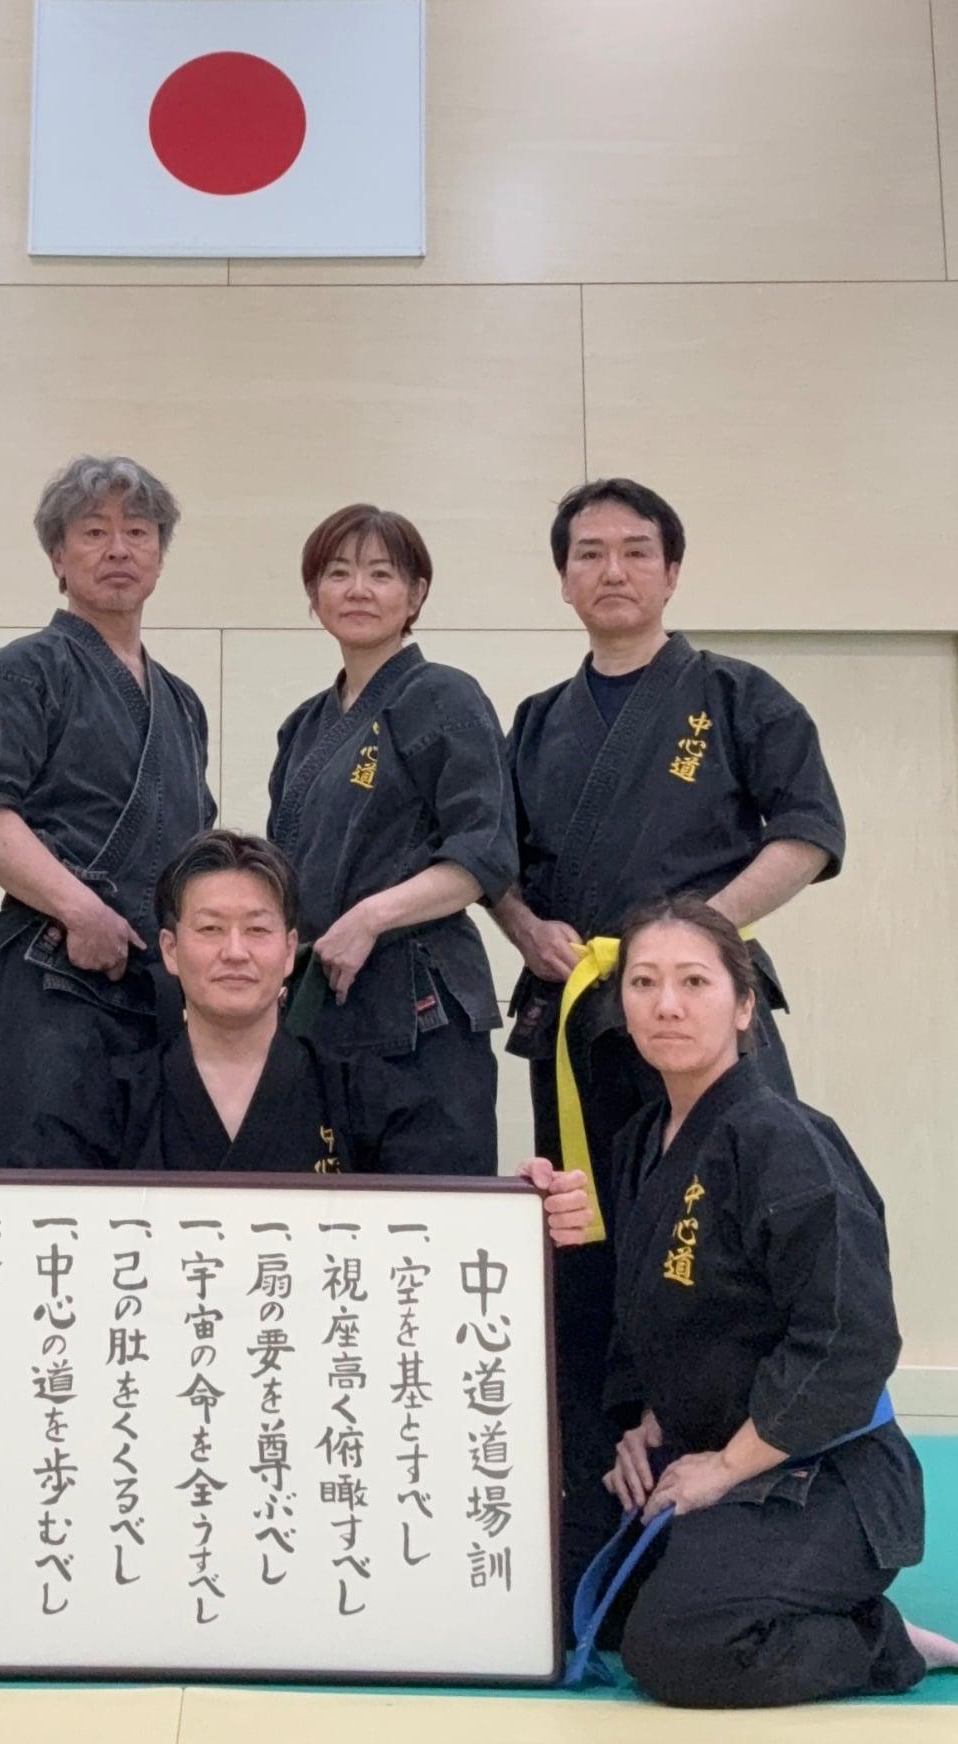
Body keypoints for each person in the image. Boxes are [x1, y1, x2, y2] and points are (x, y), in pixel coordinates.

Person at [487, 476, 846, 1602]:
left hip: (698, 1015)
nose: (612, 570)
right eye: (588, 552)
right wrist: (523, 927)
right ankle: (596, 1525)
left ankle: (759, 1504)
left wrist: (692, 942)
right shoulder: (534, 721)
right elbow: (495, 867)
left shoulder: (735, 695)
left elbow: (806, 835)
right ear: (562, 579)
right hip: (584, 1025)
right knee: (587, 1252)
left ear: (672, 571)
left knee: (728, 1247)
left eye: (635, 551)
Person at [0, 831, 591, 1244]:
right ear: (171, 950)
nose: (235, 952)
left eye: (257, 930)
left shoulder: (366, 1093)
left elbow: (452, 1229)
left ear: (291, 950)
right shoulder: (107, 1096)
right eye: (210, 930)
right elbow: (25, 1226)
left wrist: (533, 1211)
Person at [588, 896, 957, 1705]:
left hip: (822, 1472)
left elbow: (849, 1338)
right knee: (571, 1586)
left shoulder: (785, 1139)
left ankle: (881, 1641)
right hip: (700, 1453)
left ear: (744, 1005)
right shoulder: (641, 1141)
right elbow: (648, 1307)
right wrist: (642, 1418)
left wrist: (727, 1467)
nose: (667, 1004)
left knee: (677, 1645)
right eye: (644, 983)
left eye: (694, 981)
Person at [0, 455, 213, 1167]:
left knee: (154, 1198)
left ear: (160, 557)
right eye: (94, 532)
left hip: (159, 993)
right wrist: (79, 910)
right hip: (52, 974)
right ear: (58, 559)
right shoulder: (17, 672)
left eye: (138, 531)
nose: (119, 548)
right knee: (44, 1193)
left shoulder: (183, 703)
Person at [268, 504, 514, 1174]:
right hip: (323, 1008)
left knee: (431, 1213)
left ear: (416, 594)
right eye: (338, 573)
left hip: (422, 1007)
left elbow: (484, 852)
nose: (358, 590)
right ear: (313, 594)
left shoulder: (447, 697)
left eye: (381, 574)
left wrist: (371, 917)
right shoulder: (303, 726)